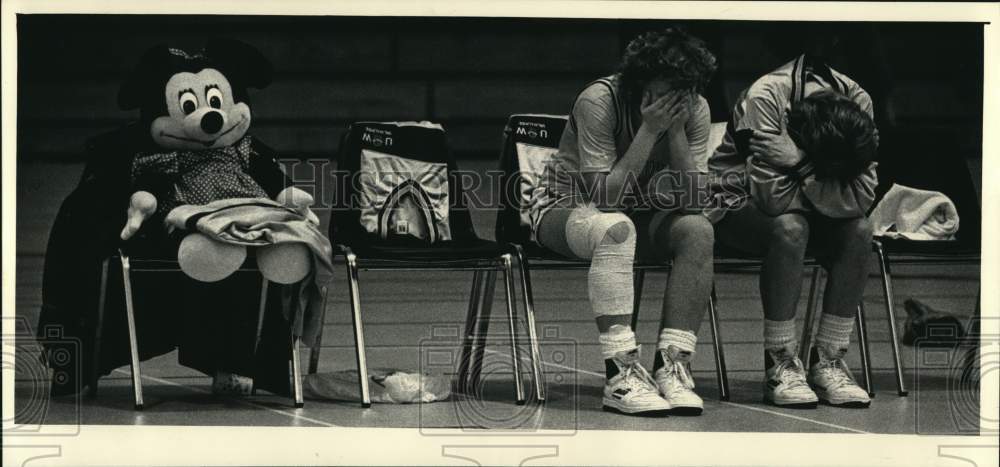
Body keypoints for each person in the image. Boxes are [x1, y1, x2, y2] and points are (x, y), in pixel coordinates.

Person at [528, 27, 717, 416]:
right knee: (616, 228)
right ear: (640, 83)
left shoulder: (694, 107)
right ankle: (621, 373)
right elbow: (606, 198)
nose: (681, 98)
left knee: (698, 231)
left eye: (688, 88)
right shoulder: (599, 100)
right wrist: (650, 129)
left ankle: (672, 367)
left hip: (639, 212)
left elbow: (695, 203)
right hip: (563, 209)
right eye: (671, 88)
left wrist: (676, 131)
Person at [709, 52, 879, 408]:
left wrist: (799, 164)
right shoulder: (766, 96)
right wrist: (831, 183)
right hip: (737, 205)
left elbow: (861, 199)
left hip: (804, 200)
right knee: (791, 227)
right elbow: (773, 201)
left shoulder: (858, 97)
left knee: (861, 230)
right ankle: (780, 361)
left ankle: (829, 360)